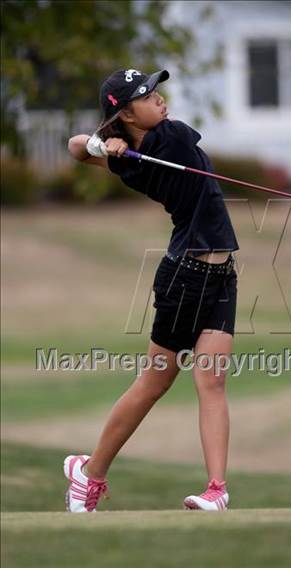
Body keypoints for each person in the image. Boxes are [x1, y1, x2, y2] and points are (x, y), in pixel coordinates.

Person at [65, 68, 239, 512]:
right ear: (126, 114)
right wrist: (108, 146)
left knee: (212, 381)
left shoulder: (138, 155)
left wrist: (104, 146)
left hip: (221, 273)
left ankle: (217, 490)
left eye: (156, 90)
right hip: (186, 276)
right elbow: (76, 146)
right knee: (154, 382)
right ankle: (90, 475)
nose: (159, 99)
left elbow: (77, 148)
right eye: (146, 96)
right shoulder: (172, 139)